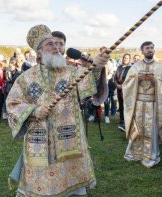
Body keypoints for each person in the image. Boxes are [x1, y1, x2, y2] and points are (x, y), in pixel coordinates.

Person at [6, 24, 108, 197]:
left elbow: (89, 82)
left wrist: (97, 66)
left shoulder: (72, 73)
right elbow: (12, 104)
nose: (56, 48)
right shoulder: (25, 78)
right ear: (39, 52)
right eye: (50, 44)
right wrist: (33, 110)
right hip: (40, 141)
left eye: (57, 44)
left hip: (68, 139)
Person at [122, 41, 162, 167]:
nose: (150, 50)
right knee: (138, 128)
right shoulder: (135, 67)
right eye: (147, 48)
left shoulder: (160, 67)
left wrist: (154, 79)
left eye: (152, 48)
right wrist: (138, 78)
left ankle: (150, 155)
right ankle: (135, 154)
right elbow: (126, 84)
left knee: (151, 129)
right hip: (137, 103)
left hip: (153, 104)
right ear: (142, 51)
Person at [115, 53, 132, 131]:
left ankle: (127, 121)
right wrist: (117, 84)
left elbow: (130, 79)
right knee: (121, 105)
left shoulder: (131, 68)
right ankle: (121, 120)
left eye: (127, 58)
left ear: (129, 59)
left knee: (126, 105)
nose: (125, 59)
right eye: (124, 58)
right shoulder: (119, 67)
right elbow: (115, 78)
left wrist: (123, 86)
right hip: (119, 89)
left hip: (127, 89)